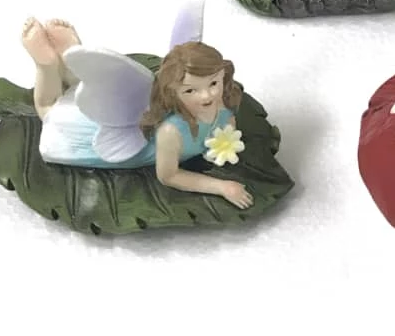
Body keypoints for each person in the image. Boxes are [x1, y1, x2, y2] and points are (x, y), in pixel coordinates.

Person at [21, 18, 254, 209]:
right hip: (117, 145)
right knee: (49, 110)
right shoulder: (171, 131)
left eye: (213, 83)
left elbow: (221, 136)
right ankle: (47, 65)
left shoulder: (224, 110)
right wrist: (222, 187)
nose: (207, 96)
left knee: (82, 95)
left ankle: (74, 62)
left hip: (120, 116)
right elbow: (168, 176)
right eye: (190, 90)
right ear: (172, 91)